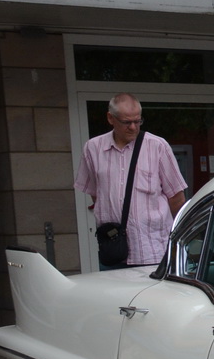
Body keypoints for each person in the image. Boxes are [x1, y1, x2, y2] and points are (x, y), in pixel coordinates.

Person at [74, 93, 186, 271]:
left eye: (138, 121)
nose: (133, 127)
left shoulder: (157, 146)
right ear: (110, 118)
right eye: (127, 122)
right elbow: (96, 195)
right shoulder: (93, 148)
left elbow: (177, 198)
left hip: (152, 250)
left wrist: (180, 238)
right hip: (113, 251)